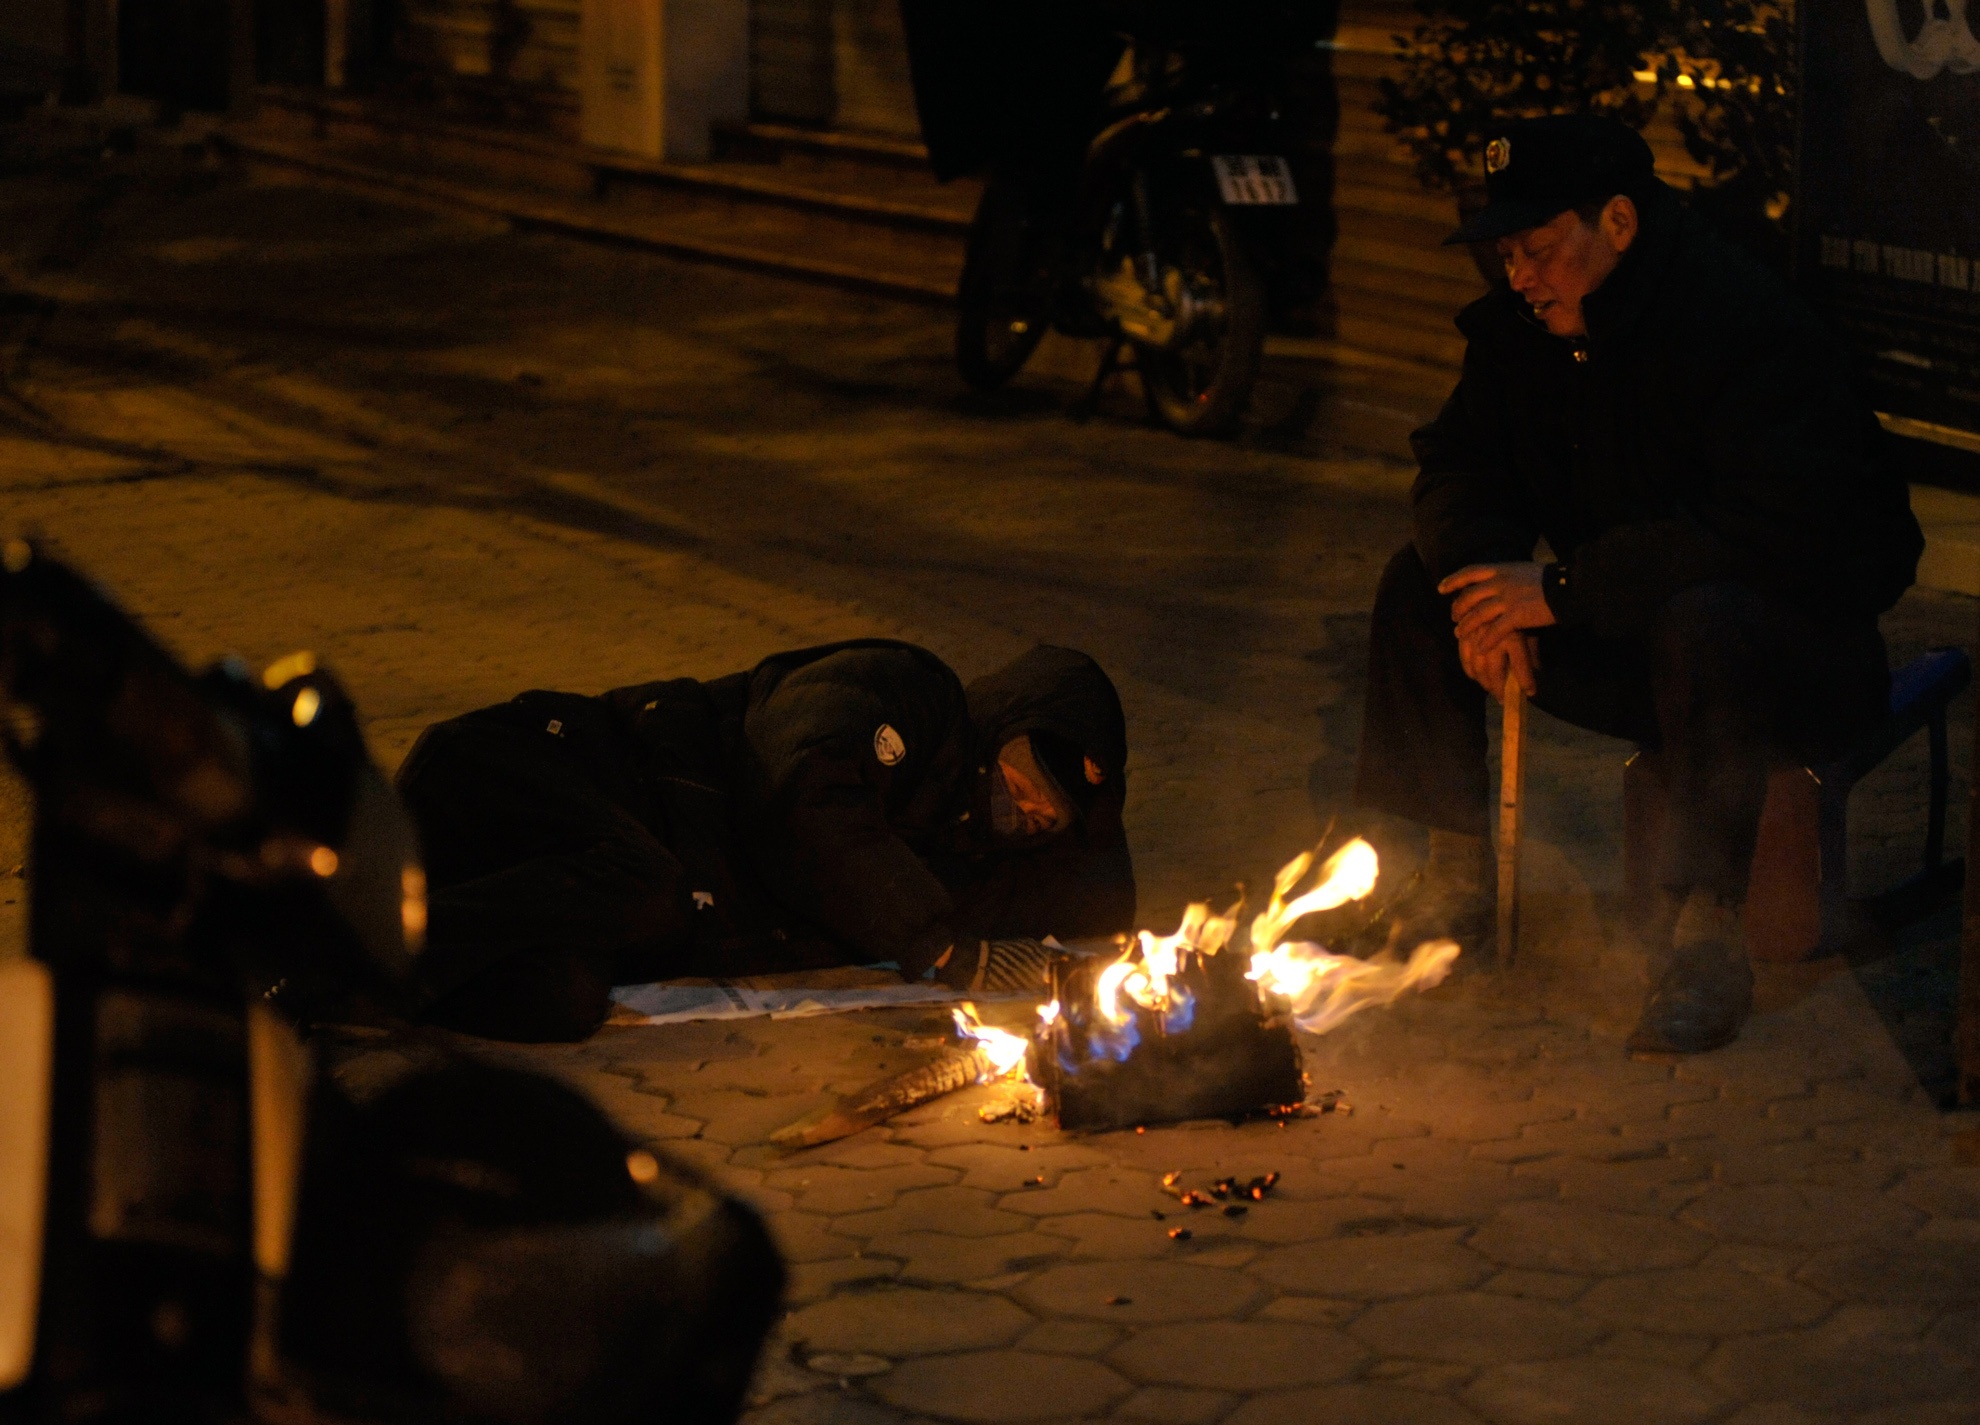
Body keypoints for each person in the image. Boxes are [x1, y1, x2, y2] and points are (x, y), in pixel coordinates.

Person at [1351, 114, 1923, 1054]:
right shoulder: (1520, 330)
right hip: (1629, 636)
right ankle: (1453, 880)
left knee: (1707, 621)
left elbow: (1763, 531)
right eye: (1505, 253)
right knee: (1424, 585)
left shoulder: (1739, 319)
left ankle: (1705, 936)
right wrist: (1490, 591)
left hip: (1784, 663)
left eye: (1537, 249)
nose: (1519, 276)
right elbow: (1457, 466)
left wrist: (1564, 591)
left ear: (1617, 222)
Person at [391, 640, 1134, 1042]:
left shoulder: (971, 858)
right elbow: (803, 790)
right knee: (651, 888)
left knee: (563, 1001)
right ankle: (334, 932)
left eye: (1054, 812)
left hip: (540, 889)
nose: (1033, 805)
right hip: (535, 773)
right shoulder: (914, 695)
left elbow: (1104, 898)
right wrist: (940, 947)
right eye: (1030, 771)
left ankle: (366, 976)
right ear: (1002, 724)